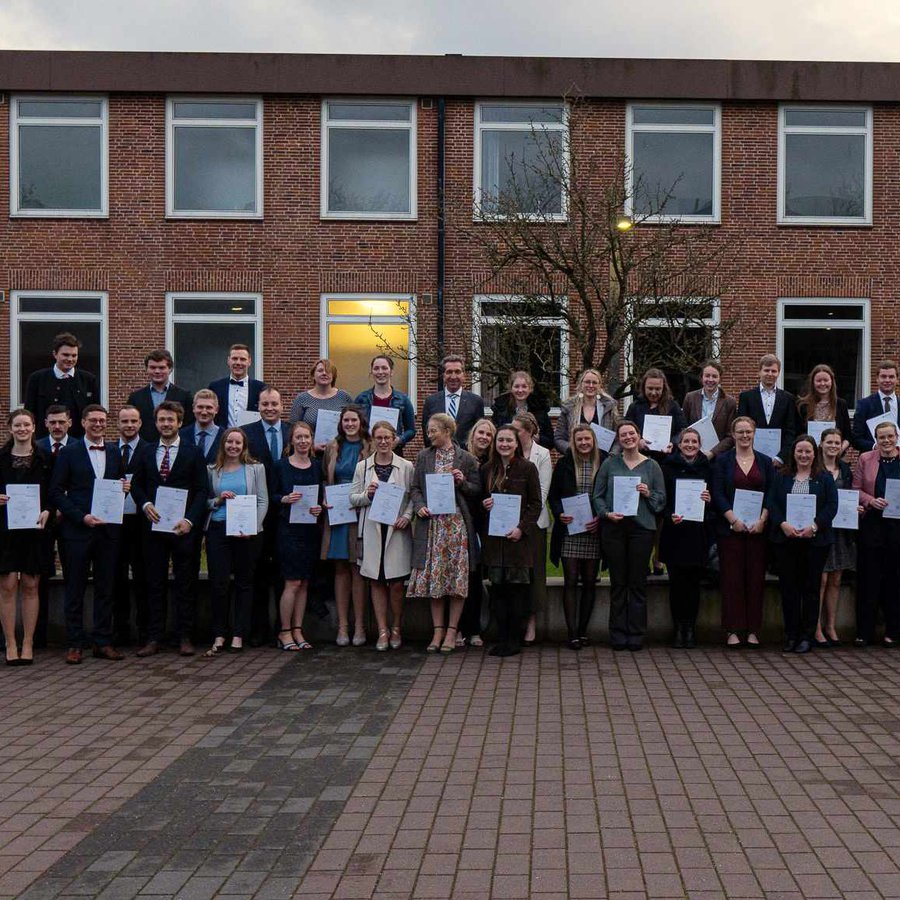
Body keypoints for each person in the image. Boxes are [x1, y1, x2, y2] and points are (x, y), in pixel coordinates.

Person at [130, 401, 209, 657]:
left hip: (183, 529)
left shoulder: (193, 452)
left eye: (170, 420)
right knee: (154, 583)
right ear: (156, 423)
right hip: (153, 528)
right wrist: (145, 504)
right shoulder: (145, 451)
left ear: (179, 422)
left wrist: (190, 521)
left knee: (186, 583)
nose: (166, 424)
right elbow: (136, 485)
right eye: (162, 420)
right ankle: (154, 637)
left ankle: (185, 636)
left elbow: (201, 491)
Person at [49, 404, 125, 664]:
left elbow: (118, 485)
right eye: (93, 420)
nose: (98, 424)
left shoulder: (115, 452)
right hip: (77, 531)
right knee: (75, 588)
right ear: (82, 422)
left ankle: (102, 641)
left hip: (107, 532)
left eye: (102, 421)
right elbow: (56, 492)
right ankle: (75, 643)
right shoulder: (68, 453)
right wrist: (81, 517)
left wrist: (124, 488)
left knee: (106, 588)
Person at [408, 413, 481, 652]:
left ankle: (452, 631)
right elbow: (415, 488)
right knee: (436, 580)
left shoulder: (467, 459)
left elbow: (477, 491)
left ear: (447, 431)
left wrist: (462, 483)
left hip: (456, 526)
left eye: (433, 431)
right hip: (433, 526)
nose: (430, 436)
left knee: (456, 579)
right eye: (429, 432)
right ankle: (437, 631)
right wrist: (419, 507)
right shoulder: (423, 456)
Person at [592, 421, 666, 651]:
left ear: (638, 436)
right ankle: (617, 632)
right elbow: (598, 496)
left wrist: (648, 493)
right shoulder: (609, 464)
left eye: (631, 434)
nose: (628, 438)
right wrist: (606, 513)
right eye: (623, 435)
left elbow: (661, 501)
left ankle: (635, 633)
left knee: (637, 583)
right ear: (618, 440)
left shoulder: (652, 466)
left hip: (642, 530)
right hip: (615, 528)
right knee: (618, 582)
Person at [767, 435, 838, 654]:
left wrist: (814, 527)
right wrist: (783, 524)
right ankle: (791, 635)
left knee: (810, 590)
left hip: (814, 542)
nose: (804, 455)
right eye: (800, 451)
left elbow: (831, 507)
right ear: (793, 453)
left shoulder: (824, 478)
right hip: (786, 540)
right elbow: (772, 503)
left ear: (814, 454)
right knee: (789, 589)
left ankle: (807, 636)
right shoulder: (782, 477)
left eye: (808, 451)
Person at [203, 428, 268, 656]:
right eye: (229, 442)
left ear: (244, 446)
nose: (233, 446)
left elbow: (263, 500)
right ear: (223, 445)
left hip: (246, 533)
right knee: (219, 583)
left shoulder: (255, 469)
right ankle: (219, 633)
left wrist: (253, 526)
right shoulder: (212, 470)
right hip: (218, 530)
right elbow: (205, 501)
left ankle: (239, 634)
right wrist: (218, 500)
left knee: (244, 583)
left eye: (237, 442)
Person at [711, 416, 775, 648]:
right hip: (731, 530)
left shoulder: (766, 462)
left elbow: (771, 493)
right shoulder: (722, 461)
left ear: (754, 433)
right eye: (740, 432)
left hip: (758, 531)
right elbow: (717, 493)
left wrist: (762, 520)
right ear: (733, 434)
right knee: (731, 580)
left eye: (748, 431)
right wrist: (733, 519)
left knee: (755, 580)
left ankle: (753, 630)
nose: (745, 436)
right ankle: (732, 630)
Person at [350, 420, 414, 651]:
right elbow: (353, 497)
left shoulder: (406, 466)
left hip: (397, 530)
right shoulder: (363, 467)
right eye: (379, 438)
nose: (384, 442)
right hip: (372, 529)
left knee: (396, 583)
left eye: (388, 437)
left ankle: (396, 626)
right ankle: (382, 631)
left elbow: (413, 498)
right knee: (376, 581)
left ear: (394, 439)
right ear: (373, 440)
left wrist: (407, 516)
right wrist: (367, 494)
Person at [479, 426, 542, 657]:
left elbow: (536, 503)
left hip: (518, 543)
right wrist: (484, 504)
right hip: (495, 543)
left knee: (517, 593)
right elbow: (481, 500)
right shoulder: (487, 469)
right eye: (500, 440)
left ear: (517, 443)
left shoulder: (527, 468)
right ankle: (501, 637)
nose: (504, 444)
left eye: (509, 440)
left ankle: (514, 639)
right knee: (498, 592)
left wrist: (521, 529)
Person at [0, 410, 52, 665]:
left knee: (31, 585)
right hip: (5, 530)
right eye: (17, 425)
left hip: (34, 529)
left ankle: (28, 642)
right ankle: (10, 642)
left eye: (26, 425)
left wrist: (47, 510)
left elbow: (54, 491)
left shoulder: (46, 458)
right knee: (8, 585)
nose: (22, 429)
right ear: (10, 428)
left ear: (34, 428)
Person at [243, 386, 293, 645]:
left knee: (283, 573)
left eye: (274, 403)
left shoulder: (291, 432)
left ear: (282, 406)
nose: (270, 408)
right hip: (257, 511)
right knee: (257, 571)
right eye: (265, 404)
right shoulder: (247, 434)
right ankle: (258, 629)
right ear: (258, 407)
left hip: (287, 512)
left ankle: (281, 628)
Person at [548, 424, 604, 649]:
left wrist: (601, 518)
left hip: (594, 530)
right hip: (571, 531)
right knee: (570, 581)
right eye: (579, 439)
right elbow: (553, 496)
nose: (583, 443)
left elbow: (608, 493)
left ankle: (583, 631)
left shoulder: (604, 462)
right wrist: (560, 514)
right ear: (573, 441)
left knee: (589, 581)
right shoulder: (564, 463)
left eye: (587, 439)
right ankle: (572, 633)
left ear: (593, 441)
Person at [322, 405, 371, 646]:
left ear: (361, 422)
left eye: (354, 420)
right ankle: (343, 626)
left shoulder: (369, 446)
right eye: (346, 421)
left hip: (361, 511)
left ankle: (360, 625)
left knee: (357, 568)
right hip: (338, 513)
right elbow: (325, 476)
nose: (349, 424)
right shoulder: (333, 447)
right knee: (340, 568)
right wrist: (324, 497)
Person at [660, 428, 713, 649]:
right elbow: (660, 499)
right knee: (676, 585)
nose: (690, 445)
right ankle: (678, 629)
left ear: (700, 445)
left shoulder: (709, 468)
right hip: (675, 532)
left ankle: (690, 629)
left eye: (694, 441)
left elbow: (717, 500)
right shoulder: (667, 467)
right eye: (686, 441)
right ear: (679, 444)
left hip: (697, 534)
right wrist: (669, 514)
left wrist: (708, 500)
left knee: (693, 585)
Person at [272, 421, 323, 651]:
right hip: (288, 531)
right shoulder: (280, 466)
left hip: (310, 530)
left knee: (304, 583)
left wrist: (319, 508)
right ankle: (284, 631)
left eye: (307, 437)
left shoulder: (317, 466)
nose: (303, 441)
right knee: (291, 582)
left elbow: (321, 498)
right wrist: (284, 499)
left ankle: (298, 629)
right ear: (291, 440)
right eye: (298, 437)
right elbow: (270, 496)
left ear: (312, 440)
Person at [852, 420, 900, 647]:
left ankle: (893, 631)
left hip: (897, 528)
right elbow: (856, 489)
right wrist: (872, 500)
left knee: (895, 580)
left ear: (897, 437)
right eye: (882, 437)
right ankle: (864, 631)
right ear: (876, 439)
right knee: (868, 579)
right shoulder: (865, 459)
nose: (886, 441)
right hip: (872, 525)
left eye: (890, 436)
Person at [35, 404, 73, 648]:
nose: (57, 426)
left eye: (62, 422)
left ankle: (73, 635)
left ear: (70, 422)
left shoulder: (81, 447)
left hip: (72, 520)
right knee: (40, 577)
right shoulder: (35, 447)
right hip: (42, 520)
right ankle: (39, 635)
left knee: (74, 575)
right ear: (46, 423)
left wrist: (64, 507)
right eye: (53, 422)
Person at [511, 412, 551, 645]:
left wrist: (523, 519)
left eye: (518, 430)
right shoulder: (508, 451)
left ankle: (532, 623)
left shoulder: (542, 454)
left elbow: (542, 493)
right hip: (511, 523)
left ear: (529, 432)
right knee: (516, 574)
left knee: (535, 572)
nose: (514, 434)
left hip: (534, 523)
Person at [112, 405, 150, 647]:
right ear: (118, 423)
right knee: (116, 577)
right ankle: (120, 630)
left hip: (141, 521)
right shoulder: (107, 450)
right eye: (124, 421)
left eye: (133, 421)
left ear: (140, 424)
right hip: (113, 521)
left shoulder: (149, 450)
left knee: (142, 577)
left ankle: (144, 631)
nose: (129, 425)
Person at [459, 418, 497, 647]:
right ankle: (462, 628)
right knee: (463, 578)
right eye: (480, 433)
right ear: (472, 435)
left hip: (486, 525)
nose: (484, 437)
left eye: (488, 435)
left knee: (476, 578)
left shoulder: (493, 464)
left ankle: (474, 629)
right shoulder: (462, 458)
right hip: (464, 522)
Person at [817, 427, 856, 646]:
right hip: (820, 530)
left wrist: (856, 508)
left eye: (836, 443)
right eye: (829, 442)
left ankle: (830, 625)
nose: (833, 446)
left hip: (841, 531)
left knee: (836, 579)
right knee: (820, 579)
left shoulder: (845, 469)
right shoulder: (815, 469)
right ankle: (815, 627)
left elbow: (850, 495)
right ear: (821, 444)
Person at [25, 332, 100, 439]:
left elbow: (94, 413)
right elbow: (29, 414)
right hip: (44, 443)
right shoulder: (37, 379)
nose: (70, 359)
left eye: (74, 355)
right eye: (65, 355)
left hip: (78, 443)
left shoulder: (88, 380)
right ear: (55, 354)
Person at [737, 354, 798, 464]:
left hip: (779, 462)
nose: (770, 374)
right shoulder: (746, 397)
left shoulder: (788, 398)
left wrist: (781, 457)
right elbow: (741, 429)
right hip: (751, 459)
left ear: (778, 373)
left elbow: (791, 431)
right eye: (766, 370)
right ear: (759, 372)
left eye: (774, 371)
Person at [354, 355, 416, 454]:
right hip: (367, 452)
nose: (380, 372)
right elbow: (354, 426)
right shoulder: (361, 399)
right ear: (371, 372)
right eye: (376, 368)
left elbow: (411, 430)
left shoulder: (403, 400)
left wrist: (399, 440)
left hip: (394, 452)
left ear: (391, 372)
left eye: (384, 368)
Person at [126, 350, 194, 441]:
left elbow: (189, 426)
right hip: (145, 450)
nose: (157, 371)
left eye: (162, 368)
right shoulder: (135, 398)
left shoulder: (184, 396)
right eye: (153, 367)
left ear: (170, 369)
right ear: (146, 369)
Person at [289, 359, 354, 453]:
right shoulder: (302, 399)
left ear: (333, 375)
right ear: (313, 375)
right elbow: (292, 428)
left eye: (328, 371)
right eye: (320, 371)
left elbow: (355, 424)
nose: (324, 373)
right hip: (309, 454)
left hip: (340, 454)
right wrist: (311, 446)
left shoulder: (344, 397)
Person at [421, 355, 485, 448]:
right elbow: (426, 432)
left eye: (457, 372)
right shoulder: (431, 401)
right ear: (443, 375)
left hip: (466, 457)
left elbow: (478, 432)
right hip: (438, 456)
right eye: (449, 372)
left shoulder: (476, 402)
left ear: (464, 375)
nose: (453, 376)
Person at [553, 368, 618, 455]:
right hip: (574, 459)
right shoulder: (568, 408)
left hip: (603, 461)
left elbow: (618, 437)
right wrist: (571, 450)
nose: (591, 385)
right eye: (587, 382)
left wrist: (612, 455)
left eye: (594, 383)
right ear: (581, 384)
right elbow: (558, 438)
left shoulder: (609, 408)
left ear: (600, 386)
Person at [680, 360, 736, 458]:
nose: (710, 379)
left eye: (714, 376)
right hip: (693, 456)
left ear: (720, 379)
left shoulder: (729, 402)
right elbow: (684, 427)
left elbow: (730, 436)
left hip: (719, 457)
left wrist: (713, 453)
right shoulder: (690, 398)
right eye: (707, 376)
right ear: (701, 378)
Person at [625, 367, 687, 455]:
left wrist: (673, 443)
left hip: (667, 459)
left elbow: (682, 430)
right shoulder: (634, 407)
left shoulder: (673, 406)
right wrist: (637, 441)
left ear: (663, 389)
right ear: (644, 388)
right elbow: (625, 430)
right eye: (650, 388)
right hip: (639, 457)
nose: (654, 393)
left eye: (658, 389)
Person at [796, 364, 851, 456]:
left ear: (832, 382)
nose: (822, 384)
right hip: (810, 457)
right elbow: (798, 434)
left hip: (835, 457)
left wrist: (840, 449)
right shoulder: (803, 405)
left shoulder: (841, 404)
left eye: (826, 380)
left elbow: (848, 435)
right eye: (818, 381)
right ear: (812, 382)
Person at [491, 371, 554, 450]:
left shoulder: (540, 409)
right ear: (511, 388)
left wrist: (539, 439)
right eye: (516, 386)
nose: (520, 390)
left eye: (524, 386)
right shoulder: (500, 409)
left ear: (530, 388)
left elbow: (550, 441)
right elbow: (493, 435)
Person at [208, 344, 265, 428]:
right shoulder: (215, 387)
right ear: (228, 361)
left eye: (242, 359)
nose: (238, 363)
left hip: (251, 439)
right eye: (234, 359)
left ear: (249, 362)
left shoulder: (260, 388)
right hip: (222, 439)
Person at [851, 359, 900, 453]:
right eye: (883, 376)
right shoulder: (864, 405)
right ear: (877, 379)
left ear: (897, 379)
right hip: (873, 461)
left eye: (891, 377)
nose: (887, 380)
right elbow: (856, 439)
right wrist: (875, 446)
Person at [179, 389, 222, 463]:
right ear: (193, 408)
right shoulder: (181, 435)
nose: (204, 412)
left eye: (209, 407)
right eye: (200, 407)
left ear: (216, 409)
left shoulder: (225, 436)